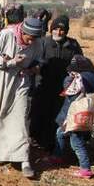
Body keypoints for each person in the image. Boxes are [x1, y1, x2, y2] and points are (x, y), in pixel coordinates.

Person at [0, 14, 42, 177]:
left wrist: (32, 69)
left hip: (21, 82)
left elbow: (38, 60)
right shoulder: (7, 34)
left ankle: (24, 160)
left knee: (20, 118)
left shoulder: (36, 42)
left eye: (34, 39)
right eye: (29, 38)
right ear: (22, 31)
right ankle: (1, 153)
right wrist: (8, 62)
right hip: (2, 79)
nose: (31, 43)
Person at [31, 15, 83, 153]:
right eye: (55, 29)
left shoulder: (73, 45)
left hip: (62, 89)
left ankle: (52, 144)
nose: (58, 32)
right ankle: (36, 141)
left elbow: (79, 62)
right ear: (51, 29)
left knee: (57, 116)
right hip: (42, 85)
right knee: (39, 113)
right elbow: (35, 61)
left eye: (62, 30)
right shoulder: (43, 42)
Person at [50, 55, 94, 179]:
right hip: (81, 114)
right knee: (60, 133)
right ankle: (57, 156)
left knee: (77, 143)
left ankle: (85, 169)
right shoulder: (91, 79)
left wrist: (70, 78)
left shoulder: (77, 81)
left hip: (73, 116)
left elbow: (69, 92)